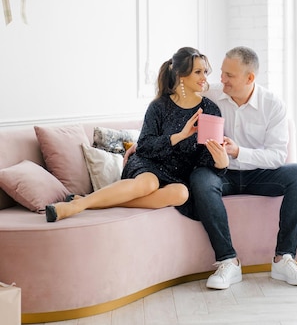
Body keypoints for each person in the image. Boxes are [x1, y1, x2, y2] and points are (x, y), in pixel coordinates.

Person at [45, 47, 228, 223]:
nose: (204, 77)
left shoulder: (210, 110)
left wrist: (221, 161)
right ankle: (77, 206)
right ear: (181, 74)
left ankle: (94, 202)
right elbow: (145, 146)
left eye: (205, 72)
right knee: (149, 184)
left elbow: (206, 159)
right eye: (198, 72)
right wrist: (179, 136)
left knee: (181, 194)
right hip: (148, 164)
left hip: (179, 176)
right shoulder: (159, 106)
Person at [186, 46, 297, 289]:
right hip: (221, 174)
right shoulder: (211, 94)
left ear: (250, 78)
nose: (221, 79)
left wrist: (238, 151)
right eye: (222, 73)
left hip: (260, 175)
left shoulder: (273, 105)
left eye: (229, 76)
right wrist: (143, 141)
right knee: (200, 178)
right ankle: (228, 261)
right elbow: (171, 103)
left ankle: (283, 258)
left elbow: (277, 156)